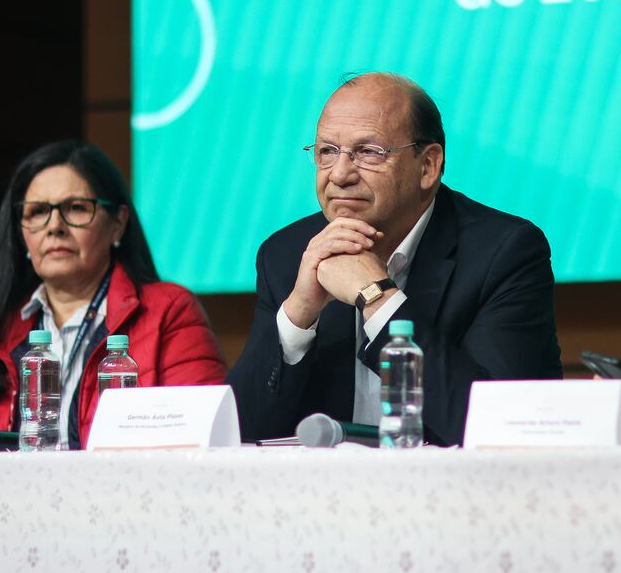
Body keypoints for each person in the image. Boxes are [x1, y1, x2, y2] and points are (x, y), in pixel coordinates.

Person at [228, 73, 561, 445]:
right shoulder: (287, 254)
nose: (339, 174)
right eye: (326, 152)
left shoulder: (504, 252)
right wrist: (299, 313)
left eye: (369, 152)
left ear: (428, 166)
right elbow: (239, 435)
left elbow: (497, 427)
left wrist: (378, 298)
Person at [0, 140, 227, 448]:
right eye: (37, 212)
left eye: (76, 208)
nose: (54, 226)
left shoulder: (169, 311)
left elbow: (200, 446)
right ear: (20, 233)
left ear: (118, 224)